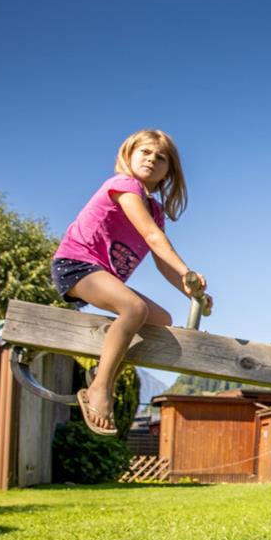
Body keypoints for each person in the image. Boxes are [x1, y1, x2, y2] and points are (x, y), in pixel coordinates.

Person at [50, 129, 211, 435]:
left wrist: (190, 289)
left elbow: (161, 260)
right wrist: (186, 268)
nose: (152, 159)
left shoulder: (156, 210)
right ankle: (100, 387)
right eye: (146, 152)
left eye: (161, 157)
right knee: (134, 308)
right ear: (129, 155)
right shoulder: (123, 186)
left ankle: (103, 371)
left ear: (169, 172)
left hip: (102, 274)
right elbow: (152, 236)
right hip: (76, 265)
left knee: (161, 319)